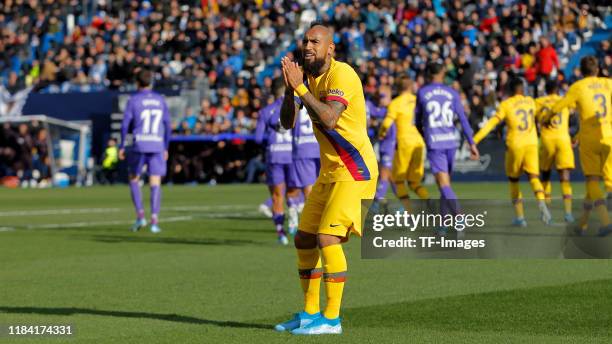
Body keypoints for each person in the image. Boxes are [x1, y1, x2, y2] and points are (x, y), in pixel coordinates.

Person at [276, 23, 378, 335]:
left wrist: (302, 88)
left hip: (355, 170)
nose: (308, 47)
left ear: (330, 48)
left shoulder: (342, 74)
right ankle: (309, 314)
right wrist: (290, 89)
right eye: (305, 41)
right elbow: (286, 122)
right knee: (303, 238)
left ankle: (331, 319)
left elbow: (331, 119)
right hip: (330, 171)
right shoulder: (304, 76)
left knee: (327, 238)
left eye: (315, 42)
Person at [474, 77, 552, 226]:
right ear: (522, 89)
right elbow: (544, 111)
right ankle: (542, 205)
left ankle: (520, 217)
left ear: (509, 90)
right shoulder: (531, 102)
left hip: (515, 144)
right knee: (534, 177)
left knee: (514, 180)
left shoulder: (506, 104)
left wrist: (475, 139)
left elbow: (491, 123)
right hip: (531, 143)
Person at [415, 62, 479, 233]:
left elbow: (417, 121)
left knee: (443, 185)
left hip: (435, 143)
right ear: (443, 74)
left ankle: (459, 217)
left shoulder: (422, 93)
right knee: (446, 185)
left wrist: (425, 135)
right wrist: (472, 143)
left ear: (428, 74)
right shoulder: (452, 93)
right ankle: (443, 224)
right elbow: (463, 120)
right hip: (451, 142)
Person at [552, 56, 612, 236]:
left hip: (589, 141)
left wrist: (544, 117)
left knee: (592, 181)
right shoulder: (608, 83)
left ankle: (606, 221)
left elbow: (559, 107)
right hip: (609, 137)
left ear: (581, 70)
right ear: (598, 69)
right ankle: (582, 225)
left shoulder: (578, 87)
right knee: (600, 184)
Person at [119, 69, 171, 233]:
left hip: (140, 143)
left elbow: (125, 124)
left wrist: (122, 144)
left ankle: (140, 216)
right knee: (155, 182)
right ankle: (154, 221)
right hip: (157, 144)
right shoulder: (160, 100)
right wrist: (166, 146)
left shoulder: (134, 100)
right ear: (151, 82)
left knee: (134, 178)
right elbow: (168, 125)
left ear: (137, 83)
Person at [378, 75, 430, 211]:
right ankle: (429, 201)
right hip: (420, 143)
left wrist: (381, 134)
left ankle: (409, 212)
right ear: (411, 86)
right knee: (414, 182)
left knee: (399, 180)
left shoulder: (396, 103)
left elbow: (386, 123)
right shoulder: (419, 101)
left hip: (404, 143)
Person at [254, 85, 293, 245]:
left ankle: (281, 234)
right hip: (293, 155)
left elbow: (257, 138)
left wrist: (269, 141)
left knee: (277, 197)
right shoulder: (296, 108)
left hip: (274, 156)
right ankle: (294, 220)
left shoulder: (265, 111)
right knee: (295, 191)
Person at [534, 81, 575, 223]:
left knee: (545, 175)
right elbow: (574, 112)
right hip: (563, 140)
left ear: (546, 90)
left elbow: (531, 115)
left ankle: (547, 212)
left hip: (547, 140)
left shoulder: (539, 101)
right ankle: (568, 213)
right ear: (558, 90)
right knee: (565, 176)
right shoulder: (565, 100)